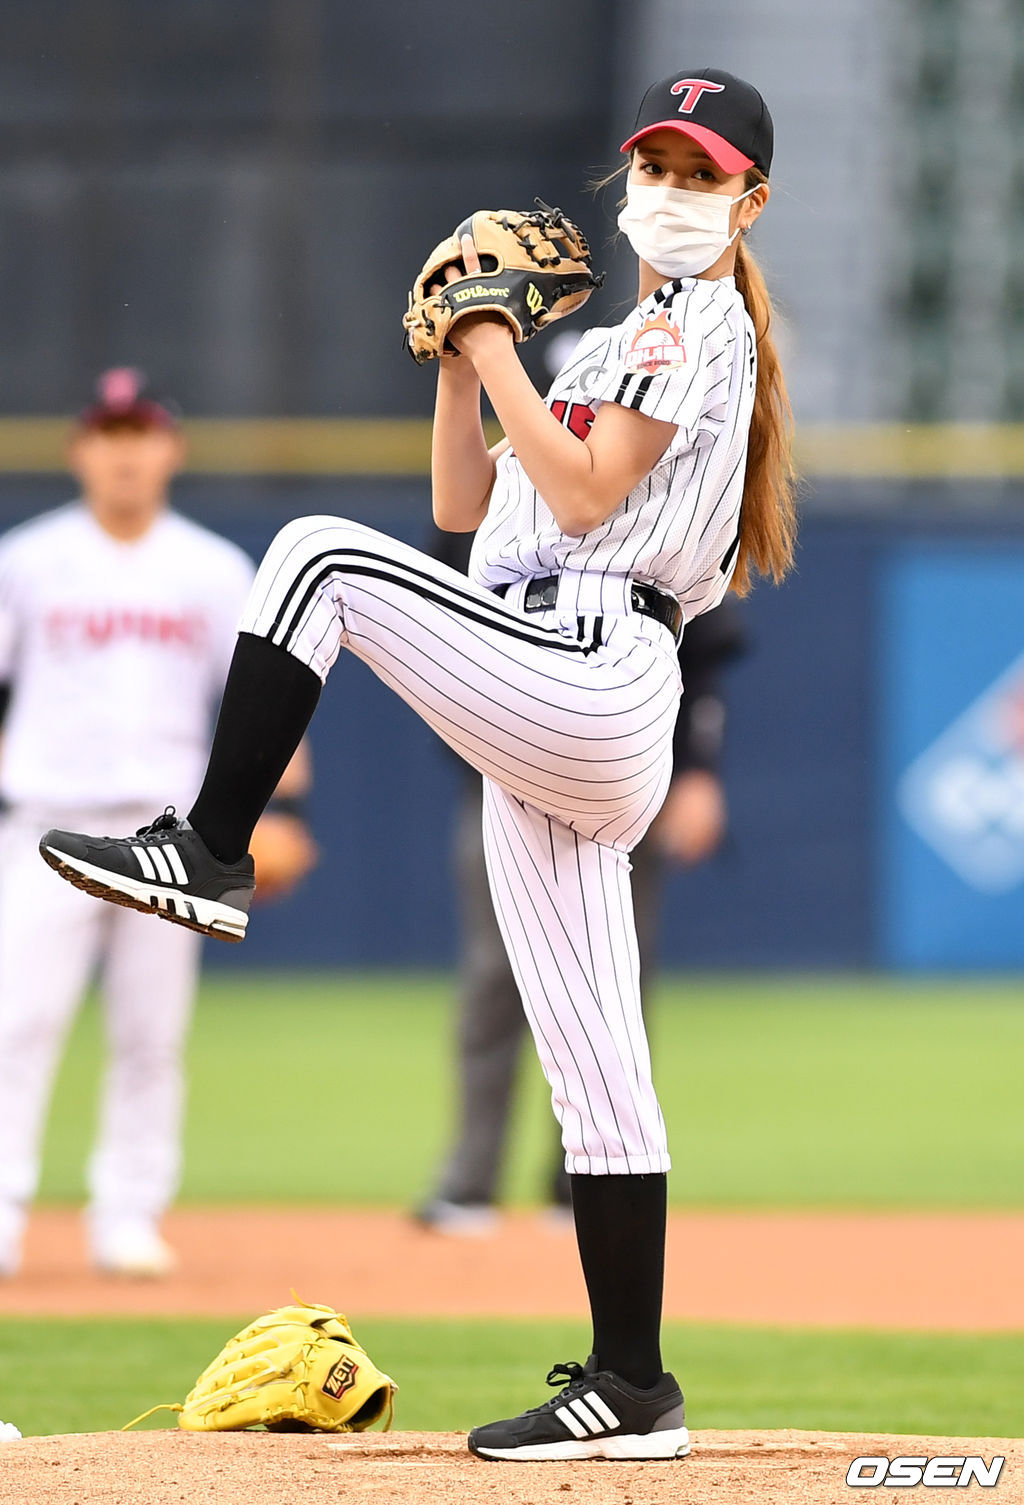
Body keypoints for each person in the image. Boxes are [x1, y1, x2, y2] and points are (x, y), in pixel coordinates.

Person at [40, 67, 796, 1461]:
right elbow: (466, 502)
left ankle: (209, 846)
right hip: (552, 682)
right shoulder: (612, 344)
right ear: (628, 177)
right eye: (658, 166)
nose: (673, 193)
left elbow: (584, 495)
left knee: (316, 556)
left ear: (749, 201)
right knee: (598, 1069)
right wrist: (460, 361)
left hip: (600, 667)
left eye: (703, 174)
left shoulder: (692, 326)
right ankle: (634, 1384)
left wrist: (495, 334)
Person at [0, 369, 314, 1279]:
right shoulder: (26, 560)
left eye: (140, 433)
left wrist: (284, 811)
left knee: (151, 1034)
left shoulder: (212, 569)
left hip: (165, 842)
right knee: (16, 1025)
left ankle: (128, 1216)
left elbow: (262, 706)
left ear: (170, 448)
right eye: (109, 434)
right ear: (80, 449)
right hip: (46, 824)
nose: (125, 453)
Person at [417, 523, 747, 1234]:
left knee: (613, 974)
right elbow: (436, 625)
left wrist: (699, 770)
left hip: (623, 767)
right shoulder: (497, 495)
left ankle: (589, 1181)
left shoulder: (656, 492)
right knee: (494, 972)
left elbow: (703, 651)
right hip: (502, 770)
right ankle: (470, 1179)